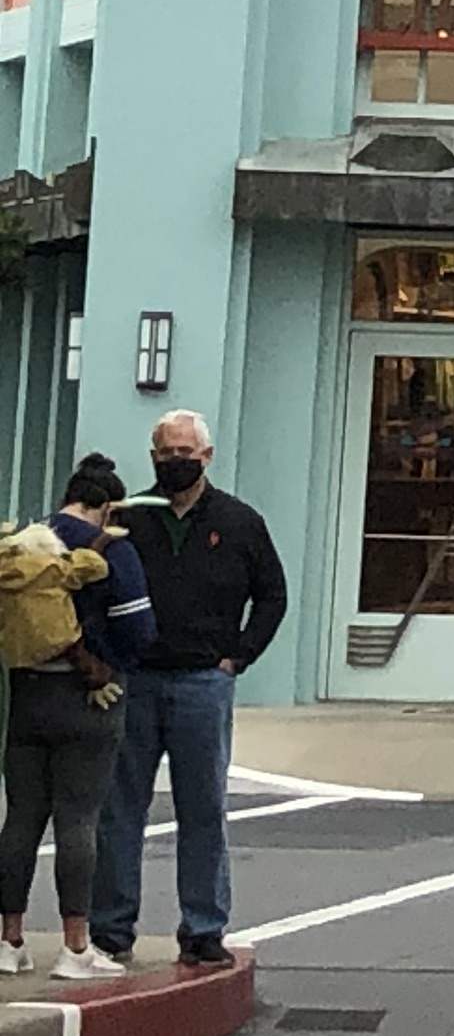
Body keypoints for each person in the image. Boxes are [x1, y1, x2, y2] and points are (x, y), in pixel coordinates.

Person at [95, 409, 285, 970]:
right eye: (165, 453)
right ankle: (110, 930)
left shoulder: (240, 521)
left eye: (186, 453)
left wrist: (240, 656)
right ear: (152, 457)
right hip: (137, 680)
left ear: (207, 456)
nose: (175, 462)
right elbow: (95, 589)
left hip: (204, 683)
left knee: (202, 808)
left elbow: (272, 596)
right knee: (119, 809)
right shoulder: (129, 520)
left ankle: (203, 928)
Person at [3, 454, 154, 983]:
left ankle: (9, 940)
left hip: (25, 695)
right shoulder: (111, 549)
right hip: (87, 698)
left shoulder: (21, 545)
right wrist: (113, 664)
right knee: (78, 820)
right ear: (105, 506)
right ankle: (75, 948)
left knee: (20, 819)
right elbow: (139, 631)